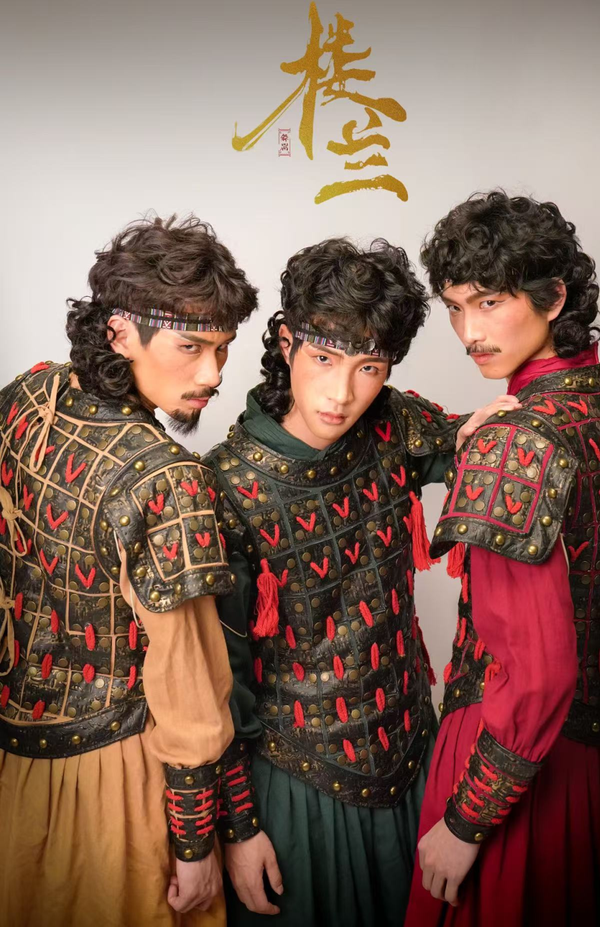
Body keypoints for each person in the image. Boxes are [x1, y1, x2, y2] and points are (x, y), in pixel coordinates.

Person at [203, 238, 519, 927]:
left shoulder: (393, 424)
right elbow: (220, 683)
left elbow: (470, 441)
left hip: (413, 755)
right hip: (298, 783)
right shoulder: (224, 488)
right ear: (287, 342)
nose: (343, 392)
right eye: (324, 358)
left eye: (368, 366)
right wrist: (239, 827)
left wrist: (514, 418)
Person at [0, 215, 258, 927]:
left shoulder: (27, 399)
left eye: (223, 348)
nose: (212, 374)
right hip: (117, 785)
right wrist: (195, 843)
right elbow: (189, 689)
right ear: (119, 333)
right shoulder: (167, 477)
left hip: (16, 772)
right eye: (190, 346)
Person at [405, 191, 600, 927]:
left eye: (489, 302)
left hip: (519, 760)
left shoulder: (513, 439)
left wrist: (467, 819)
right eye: (454, 308)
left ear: (553, 297)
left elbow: (539, 671)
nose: (468, 332)